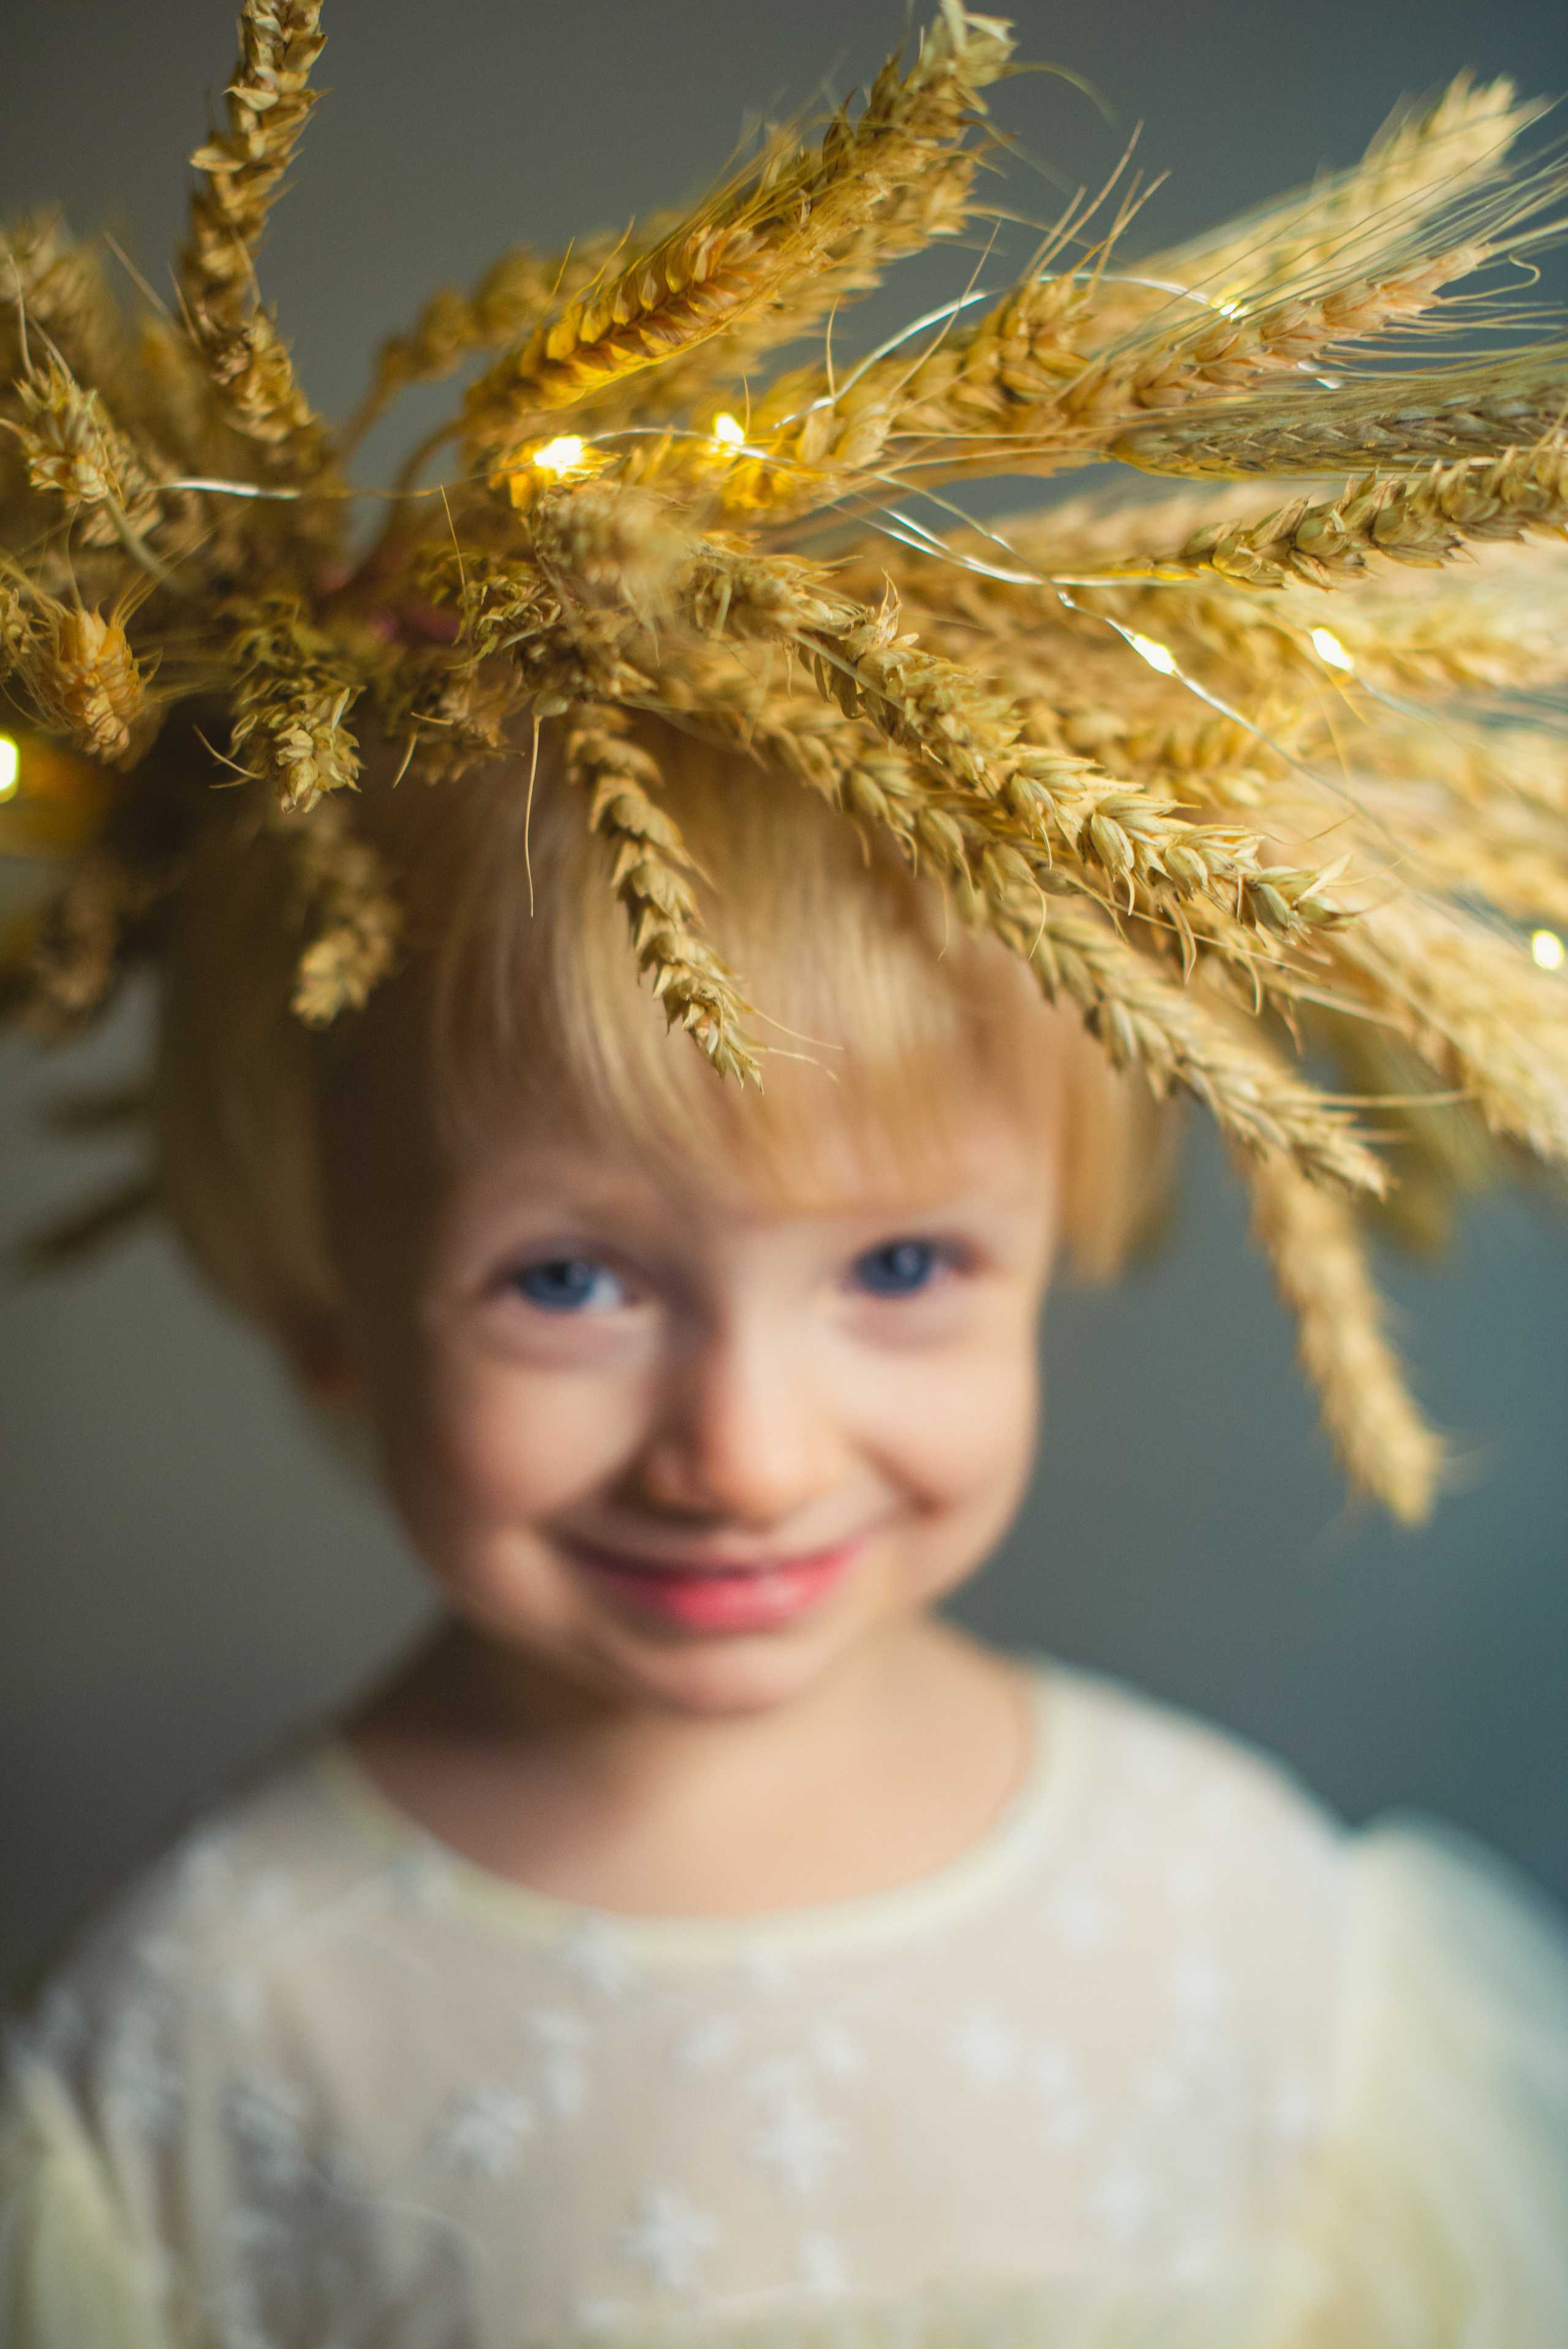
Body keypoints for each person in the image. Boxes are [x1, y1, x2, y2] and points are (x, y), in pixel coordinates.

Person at [2, 4, 1566, 2342]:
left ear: (1064, 1239)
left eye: (908, 1260)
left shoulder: (1254, 1938)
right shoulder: (213, 2033)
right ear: (328, 1289)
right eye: (566, 1282)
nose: (745, 1449)